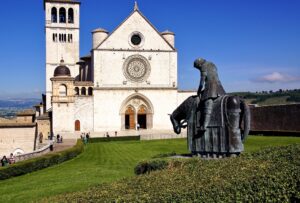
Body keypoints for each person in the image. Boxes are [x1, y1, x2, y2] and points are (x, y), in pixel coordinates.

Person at [194, 58, 226, 131]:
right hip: (220, 86)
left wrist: (199, 90)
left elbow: (202, 80)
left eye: (197, 67)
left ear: (199, 64)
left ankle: (204, 125)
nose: (198, 69)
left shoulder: (203, 66)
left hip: (211, 87)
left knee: (208, 102)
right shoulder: (212, 64)